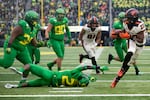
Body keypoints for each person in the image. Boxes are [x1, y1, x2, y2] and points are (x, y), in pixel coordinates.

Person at [0, 10, 43, 83]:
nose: (36, 22)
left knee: (29, 64)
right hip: (13, 46)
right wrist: (9, 46)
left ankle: (23, 81)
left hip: (22, 48)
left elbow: (34, 43)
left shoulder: (34, 28)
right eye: (35, 20)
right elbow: (12, 36)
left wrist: (42, 44)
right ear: (30, 20)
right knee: (6, 64)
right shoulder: (22, 26)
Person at [110, 8, 148, 88]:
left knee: (129, 63)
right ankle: (119, 73)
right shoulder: (125, 23)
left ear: (133, 19)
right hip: (132, 41)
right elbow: (124, 31)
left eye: (128, 18)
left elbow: (140, 40)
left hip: (140, 45)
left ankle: (118, 77)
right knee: (130, 52)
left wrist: (130, 36)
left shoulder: (139, 25)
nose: (126, 19)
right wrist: (118, 33)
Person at [5, 64, 101, 88]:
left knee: (30, 65)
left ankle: (21, 72)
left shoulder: (75, 73)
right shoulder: (77, 82)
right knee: (29, 84)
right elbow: (85, 78)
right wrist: (90, 78)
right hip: (50, 82)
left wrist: (95, 67)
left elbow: (83, 69)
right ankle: (17, 85)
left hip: (51, 75)